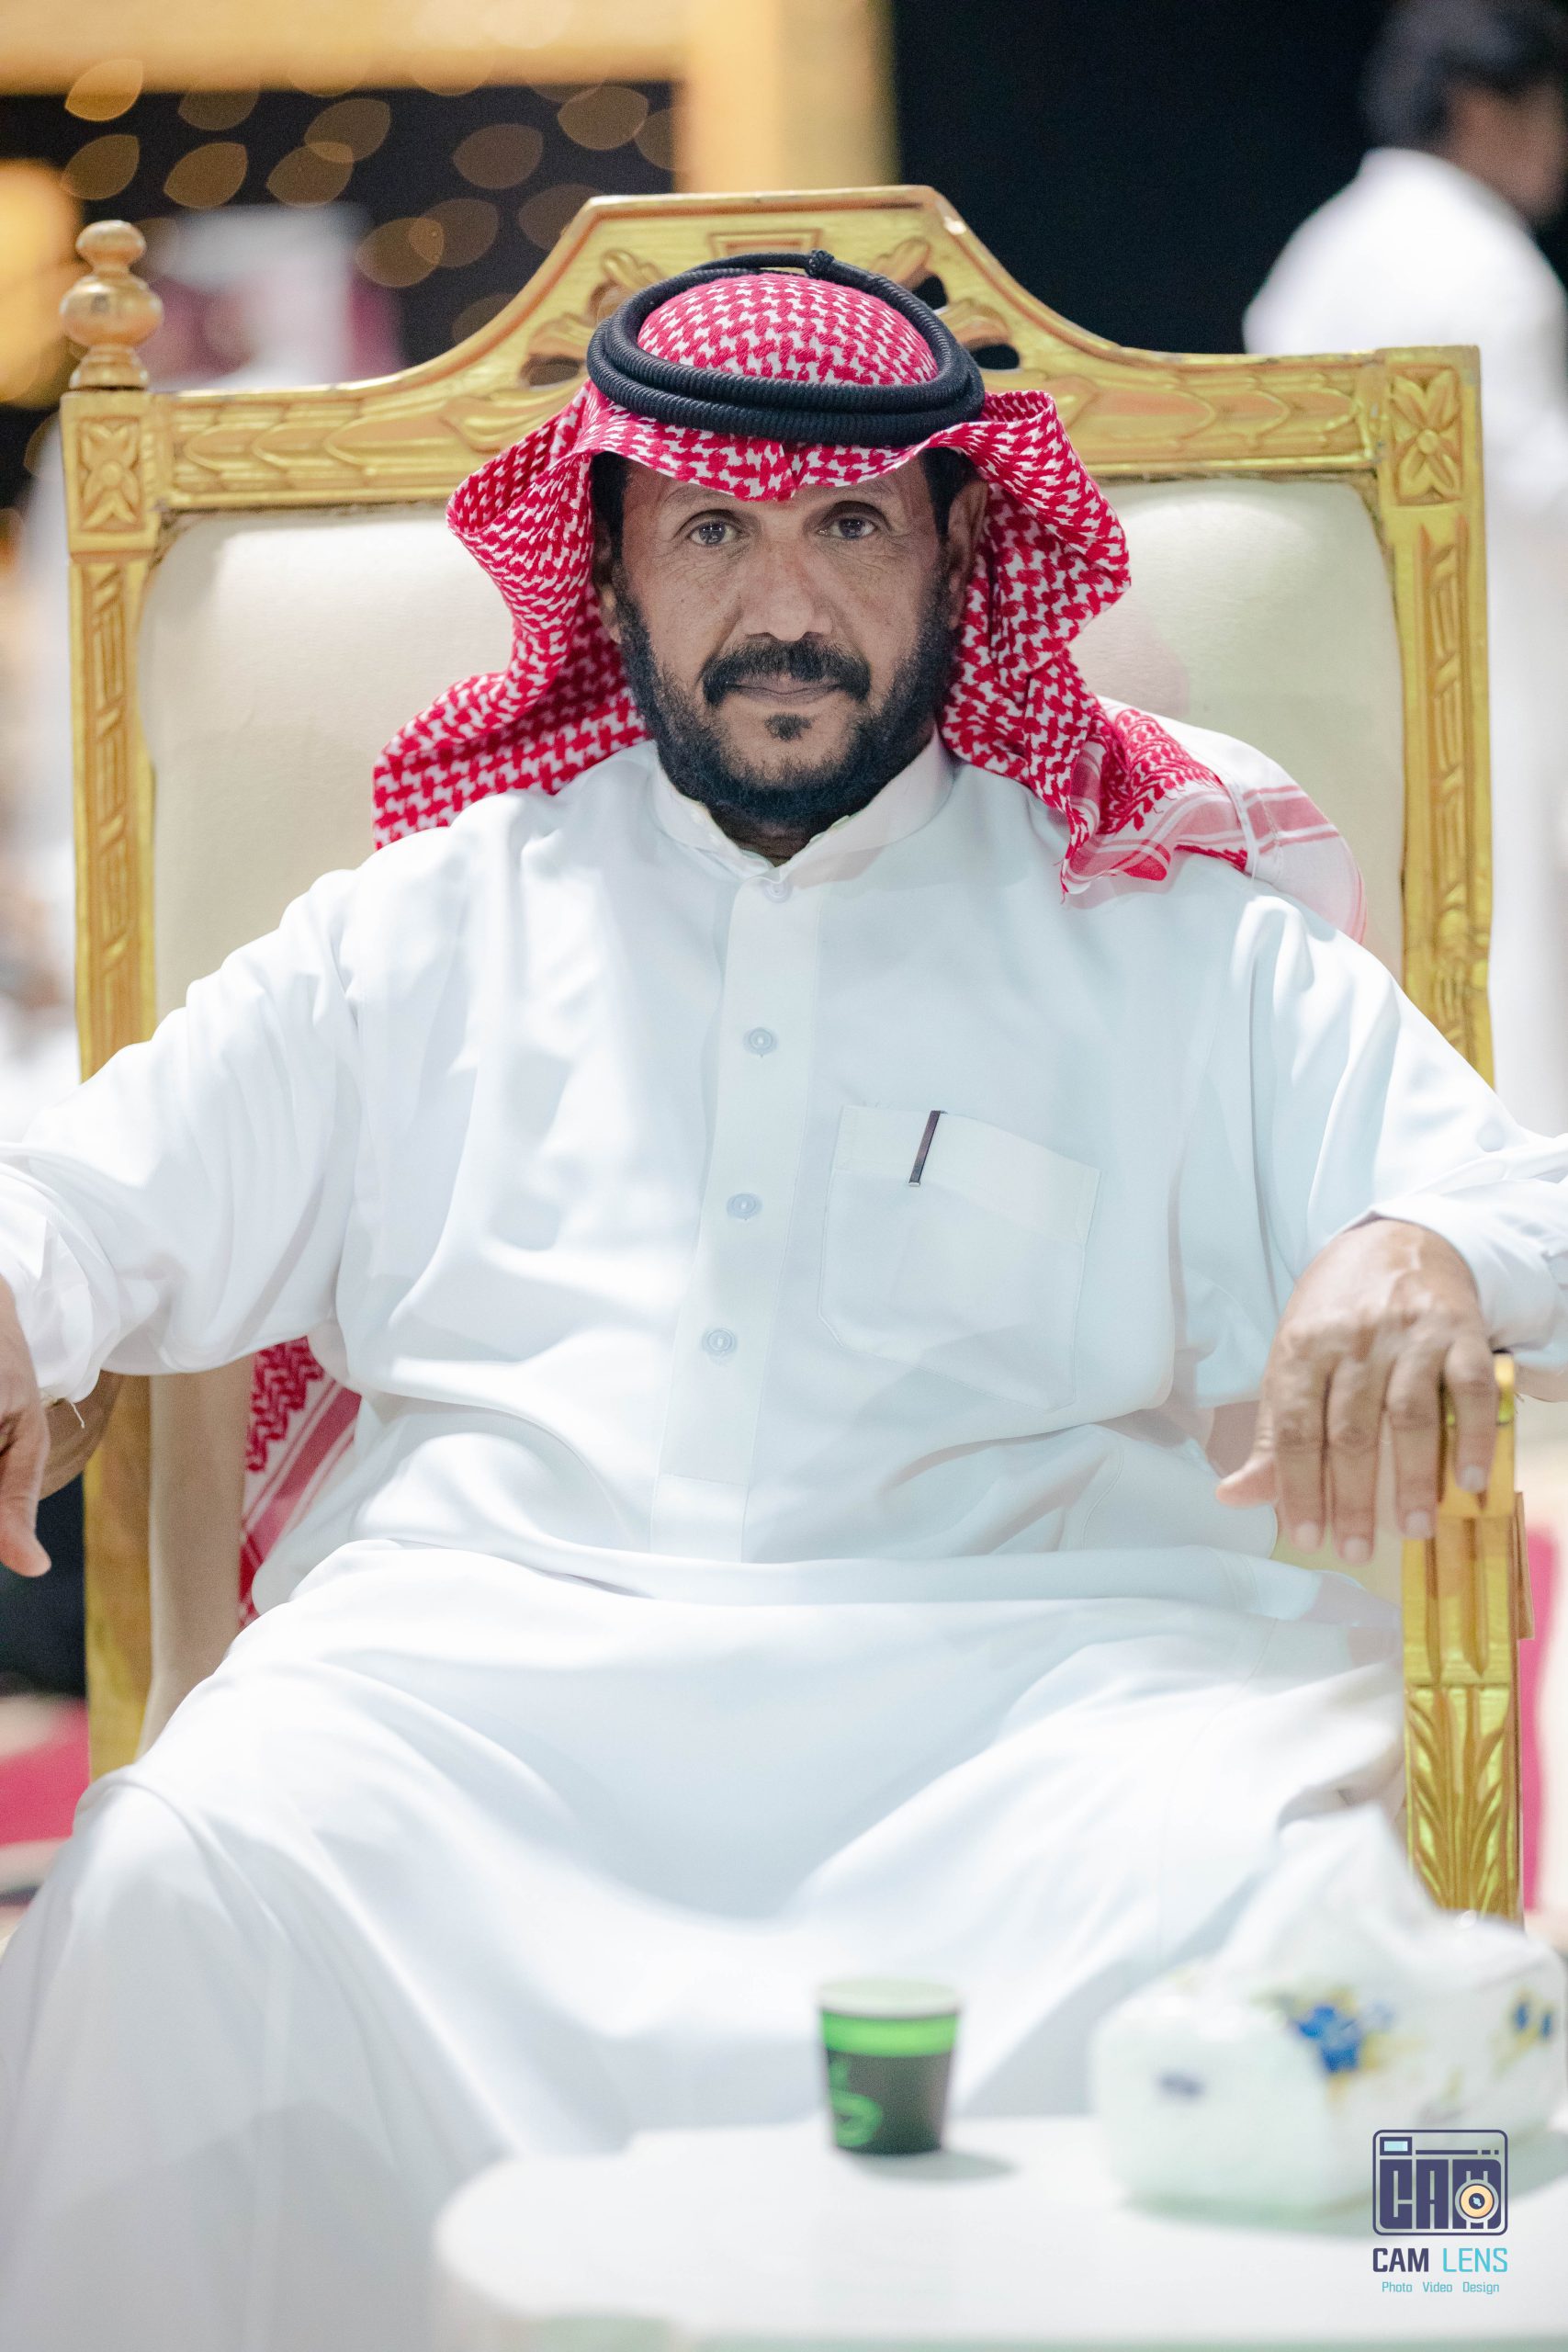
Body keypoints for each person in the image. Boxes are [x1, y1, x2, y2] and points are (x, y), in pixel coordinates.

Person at [1, 254, 1567, 2351]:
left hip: (1037, 1726)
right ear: (611, 565)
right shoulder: (428, 924)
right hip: (472, 1719)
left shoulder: (1156, 925)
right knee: (184, 1873)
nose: (784, 606)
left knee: (1295, 1923)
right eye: (712, 533)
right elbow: (87, 1195)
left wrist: (1426, 1245)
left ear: (956, 549)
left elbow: (1512, 1186)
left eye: (846, 526)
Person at [1246, 0, 1568, 1136]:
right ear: (1482, 107)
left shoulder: (1328, 244)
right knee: (1497, 940)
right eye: (1550, 114)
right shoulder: (1484, 264)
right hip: (1481, 657)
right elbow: (1541, 500)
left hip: (1328, 659)